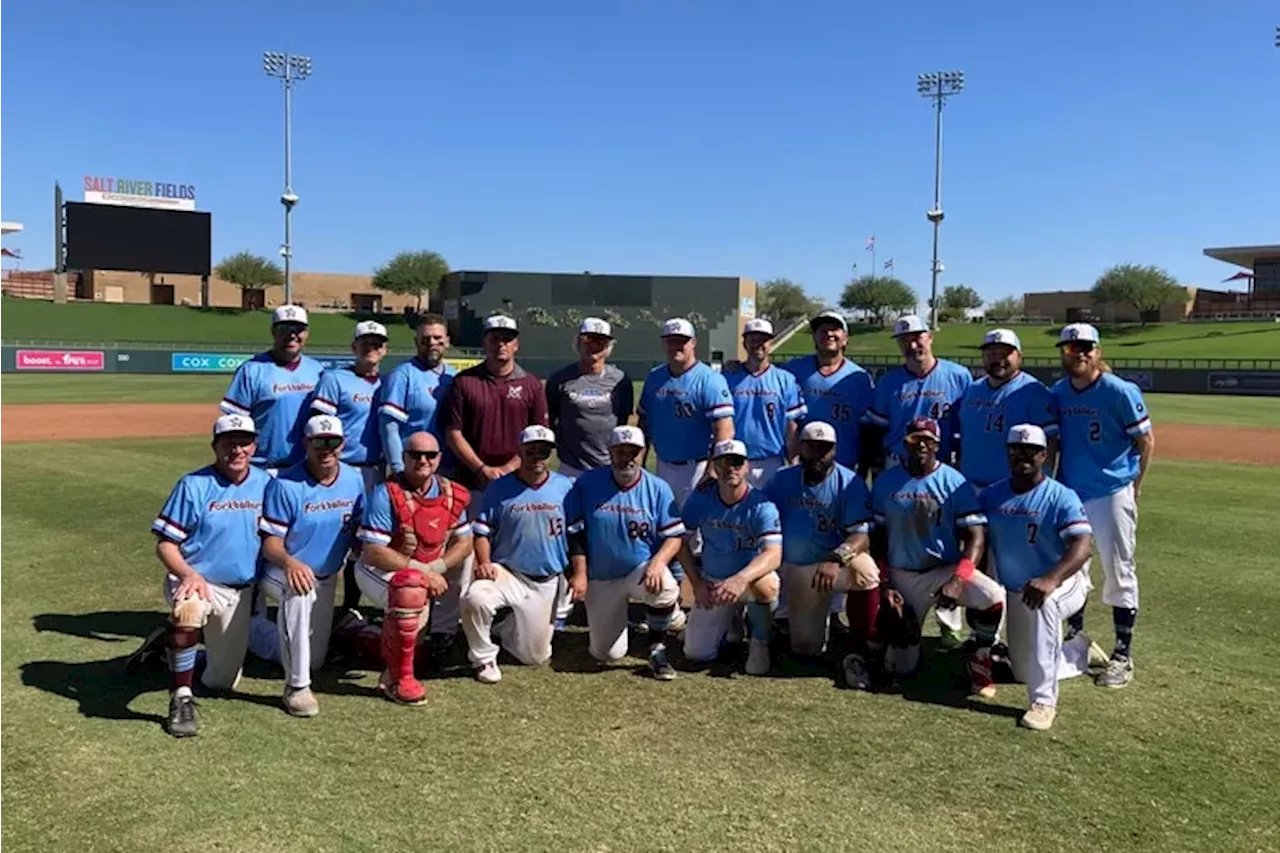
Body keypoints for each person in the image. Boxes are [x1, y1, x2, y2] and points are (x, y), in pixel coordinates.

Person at [150, 414, 272, 737]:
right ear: (215, 446)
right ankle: (181, 698)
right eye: (228, 442)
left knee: (221, 682)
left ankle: (169, 648)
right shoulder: (194, 485)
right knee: (187, 609)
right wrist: (188, 574)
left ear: (254, 446)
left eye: (244, 442)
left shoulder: (266, 484)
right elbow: (165, 545)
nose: (237, 449)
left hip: (241, 590)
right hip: (198, 582)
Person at [980, 424, 1107, 731]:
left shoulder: (1061, 496)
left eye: (1031, 451)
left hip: (1063, 582)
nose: (1022, 456)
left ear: (1044, 455)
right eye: (1015, 450)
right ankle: (1079, 651)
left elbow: (1082, 547)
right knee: (1024, 669)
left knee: (1044, 604)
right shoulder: (992, 495)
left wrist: (1051, 579)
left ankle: (1043, 702)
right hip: (1017, 589)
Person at [1049, 323, 1155, 689]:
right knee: (1072, 570)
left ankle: (1123, 655)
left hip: (1111, 492)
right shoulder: (1058, 392)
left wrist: (1135, 487)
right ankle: (1077, 639)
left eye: (1085, 347)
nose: (1077, 353)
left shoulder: (1118, 391)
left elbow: (1146, 442)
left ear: (1097, 350)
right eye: (1069, 348)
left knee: (1119, 570)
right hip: (1071, 494)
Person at [869, 417, 1004, 696]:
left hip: (944, 569)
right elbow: (878, 539)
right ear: (905, 443)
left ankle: (980, 657)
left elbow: (976, 536)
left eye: (928, 441)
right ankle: (884, 641)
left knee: (993, 596)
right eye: (915, 439)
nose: (921, 445)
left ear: (937, 445)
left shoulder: (955, 483)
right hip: (903, 575)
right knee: (901, 667)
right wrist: (886, 584)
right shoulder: (886, 482)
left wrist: (959, 578)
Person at [864, 315, 974, 648]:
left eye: (918, 337)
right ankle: (891, 605)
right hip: (897, 468)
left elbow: (967, 429)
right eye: (905, 340)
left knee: (948, 541)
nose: (913, 345)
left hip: (943, 472)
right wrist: (871, 470)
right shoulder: (889, 382)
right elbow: (875, 430)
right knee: (897, 541)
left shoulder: (959, 376)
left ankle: (949, 618)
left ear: (931, 337)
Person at [249, 415, 366, 717]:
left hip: (326, 577)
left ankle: (248, 632)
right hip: (280, 571)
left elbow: (357, 531)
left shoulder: (354, 479)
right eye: (318, 442)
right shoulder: (286, 484)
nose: (326, 449)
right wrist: (291, 563)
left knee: (314, 659)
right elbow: (271, 544)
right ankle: (297, 687)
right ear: (306, 444)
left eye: (332, 442)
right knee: (297, 592)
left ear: (343, 444)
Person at [354, 431, 474, 705]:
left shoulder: (452, 492)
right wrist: (424, 572)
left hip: (423, 570)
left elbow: (465, 542)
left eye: (430, 455)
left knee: (456, 565)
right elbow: (372, 552)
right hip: (378, 569)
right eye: (415, 455)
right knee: (410, 591)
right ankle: (399, 679)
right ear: (404, 457)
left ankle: (362, 633)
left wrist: (437, 567)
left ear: (439, 458)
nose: (423, 460)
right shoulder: (386, 493)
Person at [565, 426, 686, 680]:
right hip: (602, 577)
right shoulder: (588, 483)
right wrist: (580, 573)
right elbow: (574, 532)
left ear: (643, 453)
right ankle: (634, 621)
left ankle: (657, 648)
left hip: (639, 571)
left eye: (633, 452)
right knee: (606, 654)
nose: (627, 458)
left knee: (664, 584)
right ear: (610, 452)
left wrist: (657, 562)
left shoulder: (658, 488)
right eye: (621, 451)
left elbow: (674, 536)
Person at [763, 422, 879, 684]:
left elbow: (861, 535)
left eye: (824, 449)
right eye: (811, 447)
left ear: (834, 450)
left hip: (830, 566)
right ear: (800, 447)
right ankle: (777, 624)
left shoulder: (850, 482)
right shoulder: (782, 478)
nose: (817, 454)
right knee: (806, 648)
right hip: (796, 568)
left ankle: (858, 647)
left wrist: (837, 558)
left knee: (866, 571)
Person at [460, 426, 573, 683]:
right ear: (519, 451)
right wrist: (485, 562)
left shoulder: (566, 487)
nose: (537, 457)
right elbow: (482, 532)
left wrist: (577, 572)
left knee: (535, 657)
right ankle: (483, 658)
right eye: (530, 450)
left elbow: (576, 535)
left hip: (547, 579)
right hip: (508, 571)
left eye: (543, 452)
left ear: (551, 454)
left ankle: (506, 628)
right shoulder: (499, 488)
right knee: (475, 598)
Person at [677, 439, 783, 676]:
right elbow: (680, 543)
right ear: (714, 466)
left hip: (747, 582)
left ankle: (760, 640)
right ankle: (731, 620)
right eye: (724, 463)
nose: (731, 469)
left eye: (737, 463)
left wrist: (741, 579)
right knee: (695, 653)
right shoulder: (700, 498)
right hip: (713, 582)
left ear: (746, 467)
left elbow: (773, 554)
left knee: (766, 585)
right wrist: (696, 583)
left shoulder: (762, 504)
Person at [311, 320, 388, 613]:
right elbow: (318, 426)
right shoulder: (335, 379)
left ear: (385, 349)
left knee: (365, 539)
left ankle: (351, 607)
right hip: (341, 468)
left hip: (376, 471)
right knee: (332, 536)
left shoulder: (389, 383)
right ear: (354, 347)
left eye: (377, 343)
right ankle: (320, 605)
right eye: (365, 342)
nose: (371, 348)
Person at [443, 314, 549, 494]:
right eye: (495, 338)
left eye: (507, 339)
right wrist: (481, 468)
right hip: (471, 481)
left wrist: (509, 468)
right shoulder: (464, 381)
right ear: (485, 342)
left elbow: (539, 436)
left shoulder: (532, 385)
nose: (501, 344)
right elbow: (453, 433)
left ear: (516, 345)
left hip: (519, 481)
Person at [220, 305, 325, 472]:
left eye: (298, 329)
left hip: (307, 469)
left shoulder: (317, 370)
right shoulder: (251, 370)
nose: (291, 335)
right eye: (284, 329)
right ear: (273, 332)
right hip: (262, 468)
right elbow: (236, 425)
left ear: (306, 333)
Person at [957, 328, 1057, 491]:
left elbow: (1051, 442)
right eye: (991, 354)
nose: (998, 359)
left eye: (1005, 354)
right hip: (969, 487)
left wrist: (1041, 486)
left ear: (1019, 356)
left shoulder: (1034, 391)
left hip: (1013, 490)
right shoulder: (973, 389)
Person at [783, 310, 876, 475]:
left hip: (845, 465)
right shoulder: (793, 370)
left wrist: (863, 469)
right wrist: (738, 367)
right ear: (814, 337)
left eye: (835, 329)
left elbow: (867, 430)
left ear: (845, 338)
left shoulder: (859, 378)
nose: (829, 334)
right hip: (803, 465)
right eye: (823, 330)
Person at [545, 317, 634, 480]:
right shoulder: (559, 379)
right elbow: (552, 419)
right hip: (570, 467)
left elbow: (623, 420)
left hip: (608, 465)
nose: (594, 345)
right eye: (588, 340)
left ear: (608, 347)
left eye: (600, 341)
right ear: (578, 343)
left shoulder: (620, 381)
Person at [723, 318, 806, 488]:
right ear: (744, 342)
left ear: (770, 343)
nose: (757, 344)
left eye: (763, 340)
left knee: (771, 512)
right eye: (752, 339)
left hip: (772, 460)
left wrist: (793, 462)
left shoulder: (785, 380)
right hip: (735, 459)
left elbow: (792, 427)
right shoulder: (727, 378)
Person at [379, 313, 456, 478]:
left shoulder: (453, 376)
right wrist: (398, 468)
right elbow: (389, 427)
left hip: (448, 468)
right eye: (425, 338)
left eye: (437, 338)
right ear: (416, 342)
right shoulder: (402, 375)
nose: (432, 343)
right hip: (414, 468)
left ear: (447, 341)